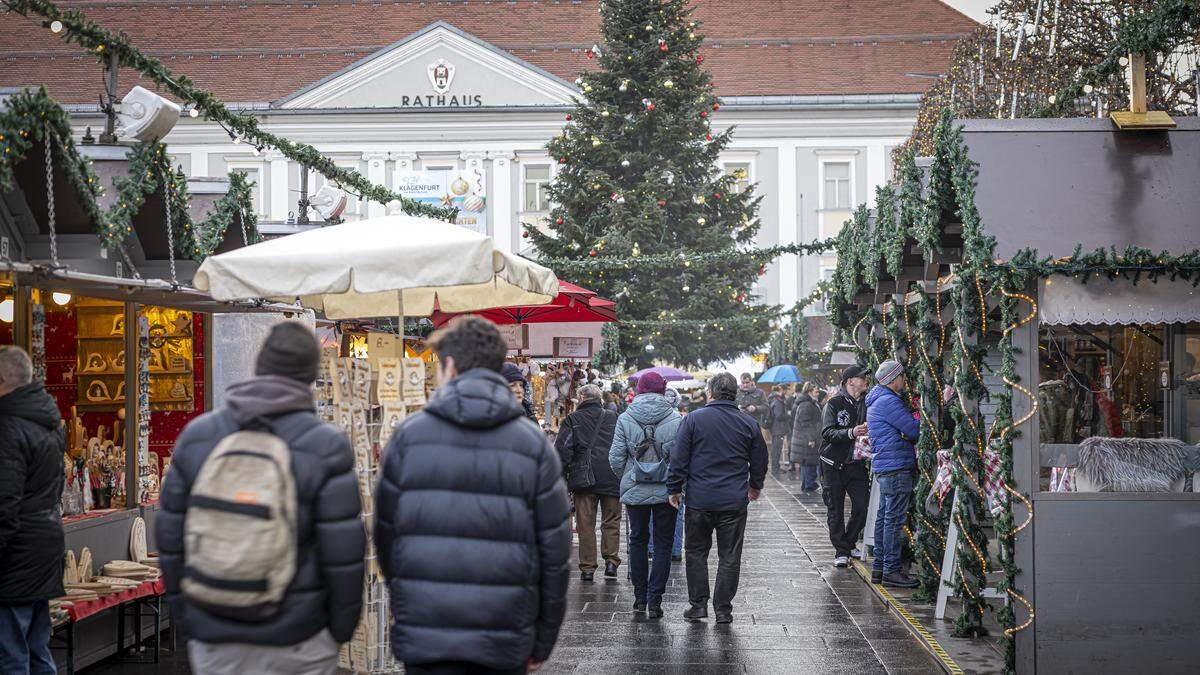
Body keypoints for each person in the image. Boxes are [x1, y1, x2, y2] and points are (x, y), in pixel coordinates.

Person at [158, 322, 365, 675]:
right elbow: (343, 553)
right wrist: (338, 631)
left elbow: (170, 537)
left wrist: (188, 616)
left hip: (216, 633)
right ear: (312, 376)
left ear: (259, 365)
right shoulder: (326, 445)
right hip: (300, 636)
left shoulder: (199, 436)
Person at [375, 317, 570, 674]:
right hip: (505, 633)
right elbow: (554, 555)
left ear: (449, 365)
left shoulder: (407, 438)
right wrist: (542, 640)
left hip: (427, 632)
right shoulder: (533, 445)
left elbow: (386, 539)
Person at [667, 373, 768, 624]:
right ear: (734, 394)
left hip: (699, 499)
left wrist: (674, 488)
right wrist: (755, 486)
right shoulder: (748, 423)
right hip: (733, 501)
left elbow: (679, 458)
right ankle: (723, 609)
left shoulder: (692, 420)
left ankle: (698, 605)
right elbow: (759, 461)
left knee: (696, 552)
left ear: (710, 393)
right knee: (730, 556)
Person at [0, 346, 64, 675]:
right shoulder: (49, 420)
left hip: (16, 555)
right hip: (44, 546)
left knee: (10, 655)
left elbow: (4, 503)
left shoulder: (8, 428)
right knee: (37, 647)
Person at [608, 371, 681, 619]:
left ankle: (640, 597)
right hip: (666, 491)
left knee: (637, 539)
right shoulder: (675, 418)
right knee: (663, 543)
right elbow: (681, 458)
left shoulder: (625, 418)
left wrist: (629, 476)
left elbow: (616, 458)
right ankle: (655, 600)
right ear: (662, 390)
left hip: (635, 489)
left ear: (639, 390)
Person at [556, 384, 621, 582]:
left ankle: (588, 568)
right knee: (611, 521)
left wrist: (562, 479)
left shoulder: (572, 419)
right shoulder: (612, 417)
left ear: (582, 397)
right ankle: (611, 562)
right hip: (612, 475)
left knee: (585, 524)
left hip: (583, 478)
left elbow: (563, 451)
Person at [866, 360, 922, 589]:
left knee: (884, 518)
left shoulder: (877, 400)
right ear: (892, 379)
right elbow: (913, 430)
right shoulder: (889, 401)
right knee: (893, 521)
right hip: (896, 466)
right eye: (901, 377)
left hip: (886, 467)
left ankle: (880, 567)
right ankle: (891, 570)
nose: (904, 381)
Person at [820, 365, 871, 569]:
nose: (865, 381)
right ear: (850, 381)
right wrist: (851, 432)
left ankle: (849, 543)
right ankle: (841, 551)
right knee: (835, 509)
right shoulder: (834, 403)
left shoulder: (867, 403)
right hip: (833, 464)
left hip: (856, 464)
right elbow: (827, 432)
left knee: (862, 506)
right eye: (861, 378)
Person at [790, 382, 824, 490]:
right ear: (809, 391)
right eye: (816, 391)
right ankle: (809, 485)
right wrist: (811, 438)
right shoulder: (806, 404)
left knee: (807, 462)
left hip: (805, 438)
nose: (818, 393)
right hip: (806, 439)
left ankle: (807, 484)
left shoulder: (808, 403)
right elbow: (806, 423)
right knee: (809, 461)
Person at [766, 385, 792, 474]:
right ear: (782, 390)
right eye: (787, 390)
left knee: (776, 448)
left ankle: (776, 467)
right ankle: (775, 469)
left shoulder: (777, 400)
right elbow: (779, 415)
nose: (788, 392)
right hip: (778, 429)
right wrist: (788, 414)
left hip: (777, 428)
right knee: (776, 449)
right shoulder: (777, 401)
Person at [735, 373, 768, 441]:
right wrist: (737, 409)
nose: (745, 385)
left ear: (751, 382)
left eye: (747, 382)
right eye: (743, 383)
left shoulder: (760, 392)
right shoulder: (736, 393)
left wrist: (755, 408)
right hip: (740, 427)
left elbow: (766, 408)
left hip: (755, 427)